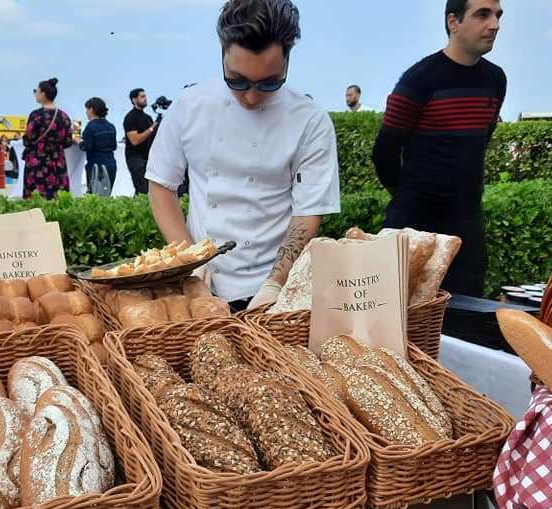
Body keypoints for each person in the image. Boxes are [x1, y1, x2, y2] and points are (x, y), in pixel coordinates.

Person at [146, 0, 341, 311]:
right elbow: (161, 187)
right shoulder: (190, 105)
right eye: (237, 81)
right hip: (202, 287)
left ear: (288, 61)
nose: (251, 97)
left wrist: (275, 283)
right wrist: (191, 260)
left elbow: (308, 210)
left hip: (274, 290)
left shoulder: (310, 120)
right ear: (222, 53)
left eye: (269, 83)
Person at [372, 0, 505, 298]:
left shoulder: (496, 80)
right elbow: (384, 151)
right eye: (482, 14)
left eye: (497, 15)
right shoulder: (420, 79)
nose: (494, 24)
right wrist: (409, 196)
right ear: (453, 22)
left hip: (467, 229)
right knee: (401, 326)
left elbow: (478, 143)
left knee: (465, 327)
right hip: (414, 227)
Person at [22, 77, 73, 199]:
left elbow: (28, 139)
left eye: (36, 91)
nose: (35, 94)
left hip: (38, 161)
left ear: (43, 93)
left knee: (36, 199)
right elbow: (68, 141)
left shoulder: (36, 115)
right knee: (58, 198)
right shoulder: (64, 116)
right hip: (58, 161)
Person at [80, 97, 118, 193]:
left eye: (87, 109)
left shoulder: (90, 126)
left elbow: (86, 146)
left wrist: (78, 141)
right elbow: (114, 146)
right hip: (111, 163)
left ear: (92, 109)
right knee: (106, 194)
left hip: (96, 165)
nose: (86, 112)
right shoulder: (111, 126)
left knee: (94, 196)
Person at [123, 88, 157, 195]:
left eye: (145, 96)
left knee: (148, 188)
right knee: (141, 188)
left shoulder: (147, 117)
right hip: (134, 157)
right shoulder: (130, 117)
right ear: (134, 100)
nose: (145, 99)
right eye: (142, 97)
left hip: (148, 157)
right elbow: (135, 140)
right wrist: (151, 128)